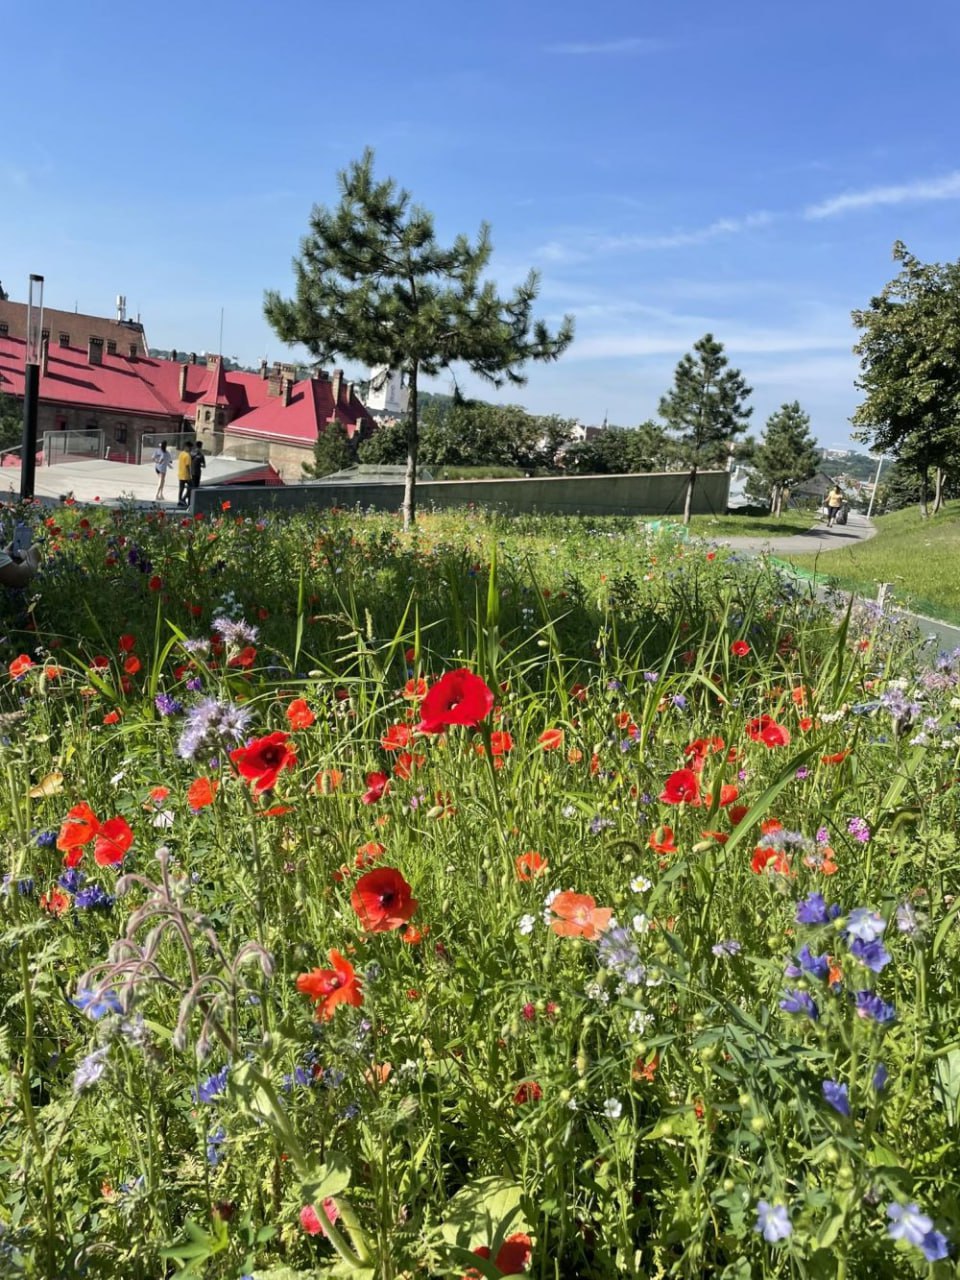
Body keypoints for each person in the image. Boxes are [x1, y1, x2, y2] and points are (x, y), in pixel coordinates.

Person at [177, 442, 193, 506]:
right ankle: (183, 499)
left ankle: (180, 500)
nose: (191, 449)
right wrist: (190, 475)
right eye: (190, 448)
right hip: (186, 475)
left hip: (180, 474)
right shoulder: (187, 455)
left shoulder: (181, 454)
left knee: (181, 489)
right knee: (192, 487)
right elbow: (187, 466)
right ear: (187, 447)